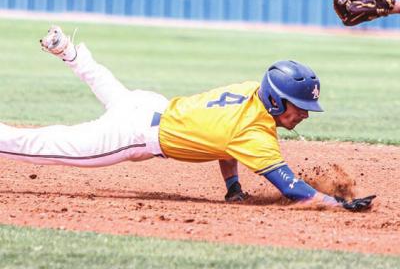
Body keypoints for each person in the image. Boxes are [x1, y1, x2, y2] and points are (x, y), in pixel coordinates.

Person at [0, 26, 374, 211]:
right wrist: (339, 205)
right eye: (298, 105)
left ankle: (70, 51)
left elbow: (227, 144)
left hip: (147, 106)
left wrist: (233, 189)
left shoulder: (249, 90)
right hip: (131, 132)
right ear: (275, 103)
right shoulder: (255, 135)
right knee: (46, 146)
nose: (305, 114)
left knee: (109, 88)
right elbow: (295, 190)